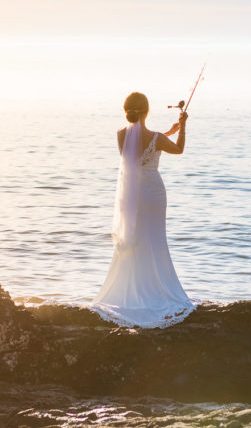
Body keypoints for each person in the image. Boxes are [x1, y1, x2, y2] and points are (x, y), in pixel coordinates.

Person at [91, 91, 195, 327]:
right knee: (154, 239)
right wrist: (183, 127)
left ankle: (132, 289)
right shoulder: (156, 138)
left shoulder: (120, 135)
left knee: (136, 238)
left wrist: (168, 132)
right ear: (147, 111)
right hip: (153, 194)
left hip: (132, 195)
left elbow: (138, 146)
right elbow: (178, 150)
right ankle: (157, 288)